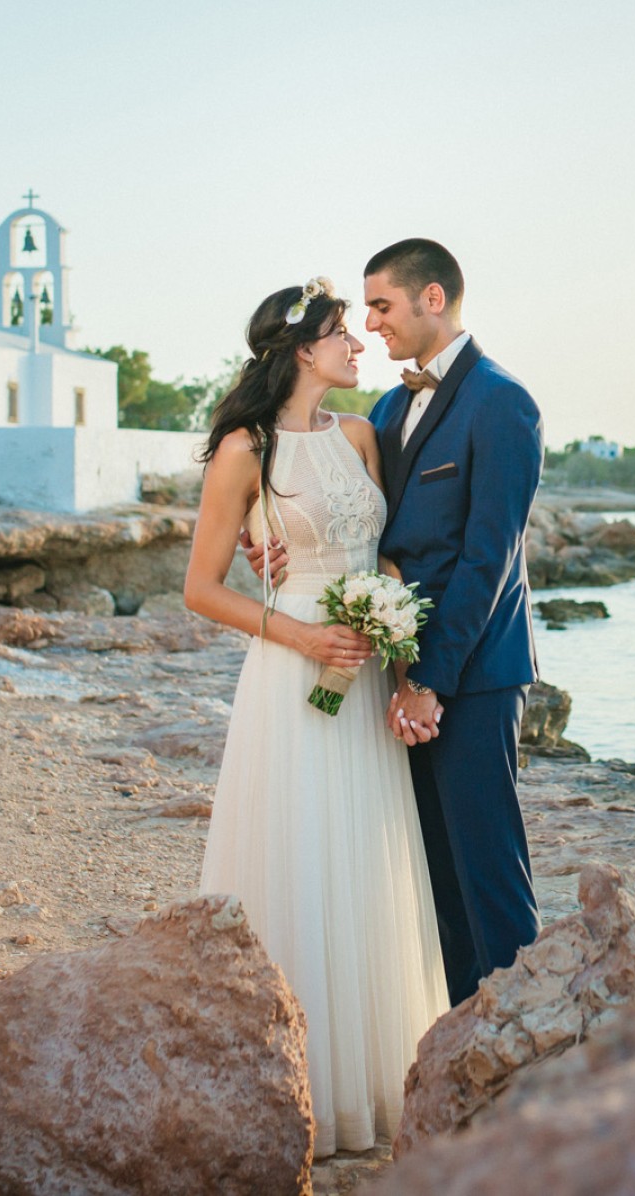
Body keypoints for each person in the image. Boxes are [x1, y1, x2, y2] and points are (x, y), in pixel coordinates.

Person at [184, 278, 448, 1159]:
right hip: (292, 674)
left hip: (366, 673)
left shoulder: (363, 433)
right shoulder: (242, 451)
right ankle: (297, 1090)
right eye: (344, 333)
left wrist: (397, 655)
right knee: (299, 855)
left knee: (365, 860)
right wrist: (301, 634)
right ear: (304, 349)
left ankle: (373, 1087)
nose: (360, 344)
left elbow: (387, 553)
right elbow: (201, 588)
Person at [363, 239, 544, 1005]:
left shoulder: (503, 402)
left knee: (489, 876)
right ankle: (467, 1051)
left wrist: (432, 681)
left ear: (432, 298)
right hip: (399, 679)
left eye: (381, 305)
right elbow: (363, 525)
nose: (371, 324)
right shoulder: (385, 406)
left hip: (471, 679)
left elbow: (488, 559)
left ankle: (532, 1054)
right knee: (435, 880)